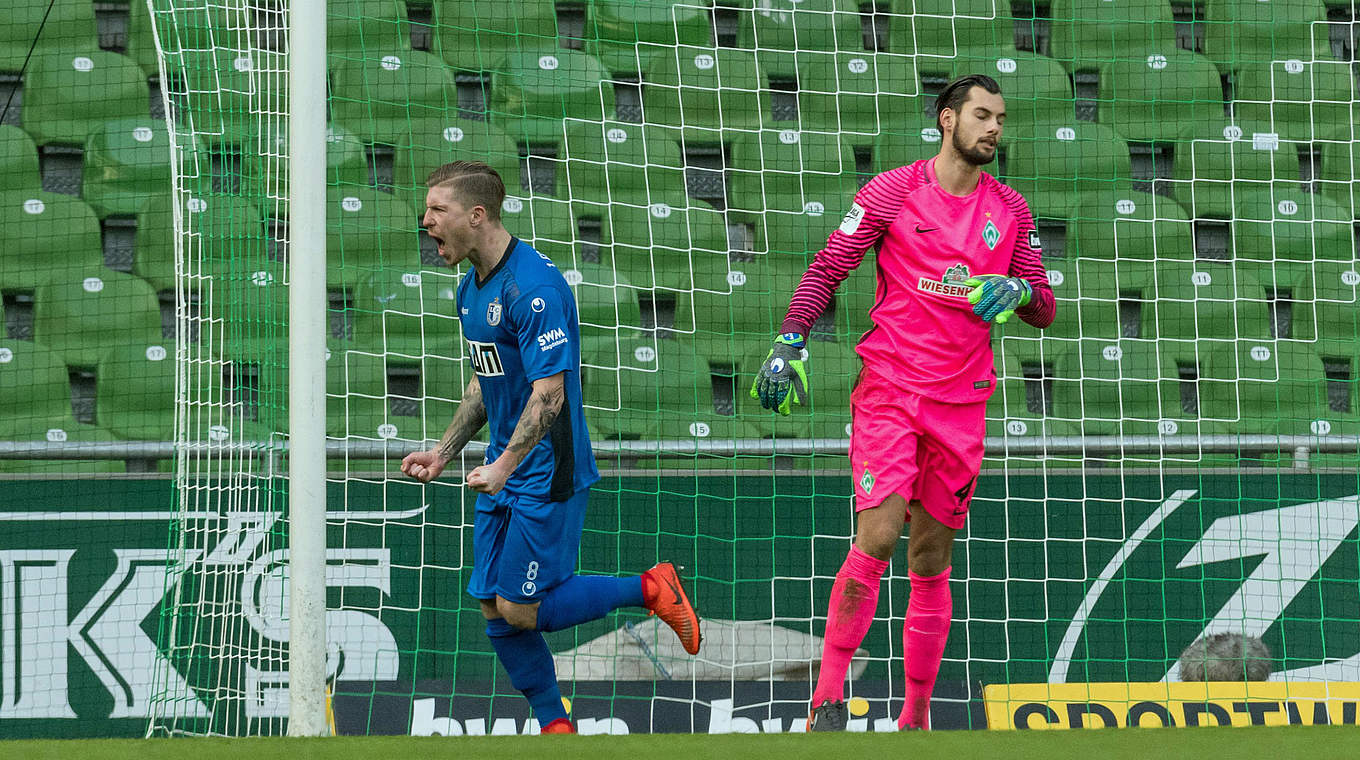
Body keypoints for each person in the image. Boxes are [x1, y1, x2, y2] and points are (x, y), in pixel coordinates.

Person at [750, 75, 1056, 731]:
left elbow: (1044, 306)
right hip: (890, 389)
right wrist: (789, 339)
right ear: (947, 120)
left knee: (930, 559)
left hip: (961, 404)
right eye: (982, 115)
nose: (994, 128)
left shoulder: (1013, 211)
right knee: (880, 535)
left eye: (1000, 118)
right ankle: (827, 699)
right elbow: (830, 265)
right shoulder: (892, 190)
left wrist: (1018, 293)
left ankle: (915, 718)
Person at [402, 161, 701, 734]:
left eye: (438, 209)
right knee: (493, 607)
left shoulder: (534, 289)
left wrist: (505, 466)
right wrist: (443, 453)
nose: (426, 220)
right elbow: (485, 383)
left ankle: (648, 586)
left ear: (477, 214)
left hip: (546, 468)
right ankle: (555, 728)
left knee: (521, 609)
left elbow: (548, 397)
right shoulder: (471, 287)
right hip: (503, 466)